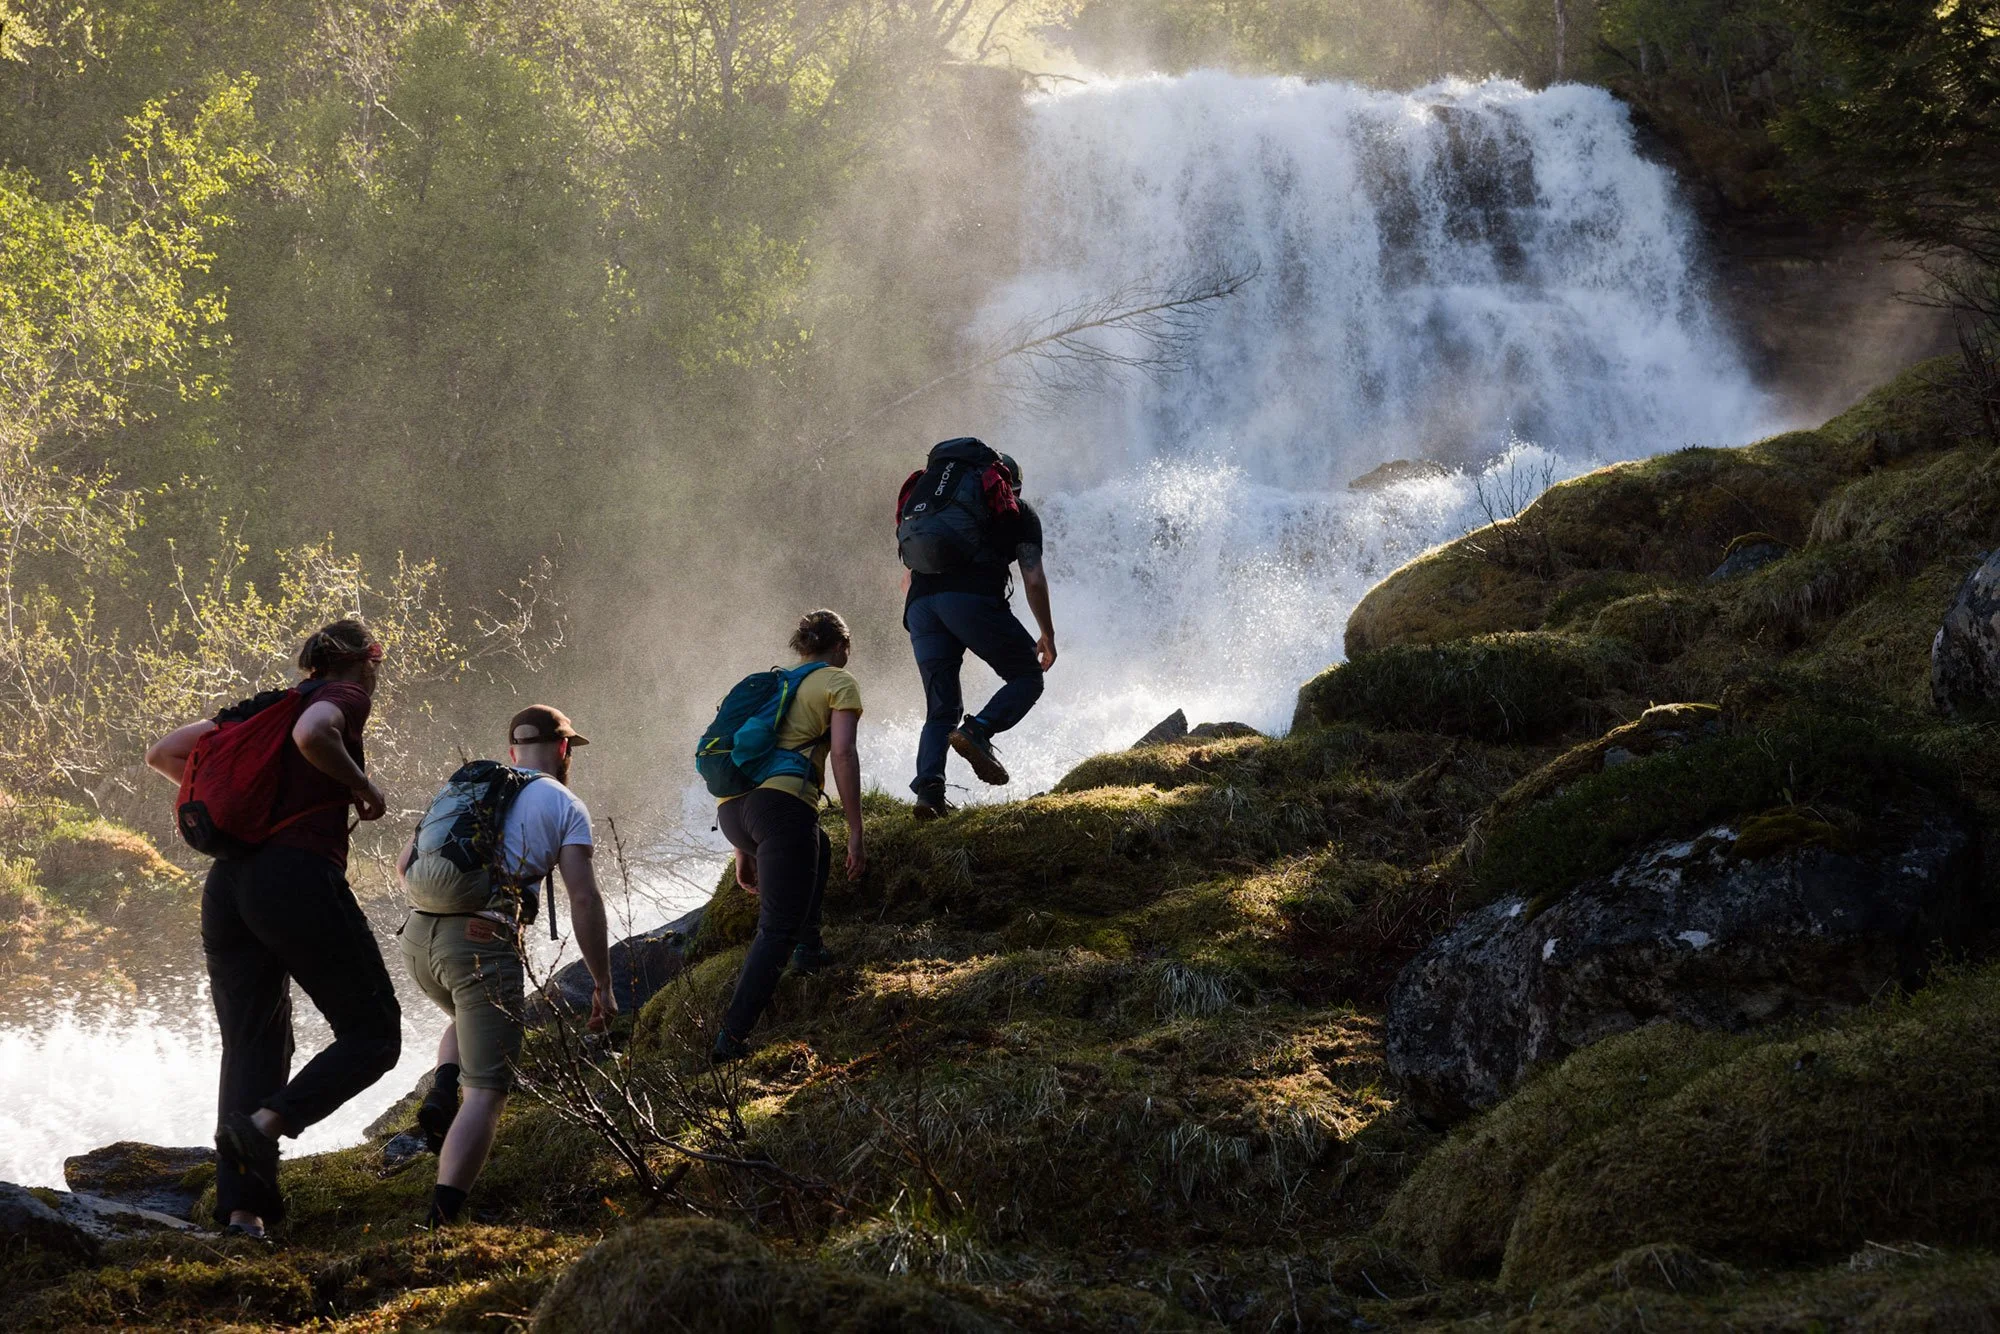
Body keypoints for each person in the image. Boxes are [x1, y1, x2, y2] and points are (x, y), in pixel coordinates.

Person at [144, 619, 402, 1239]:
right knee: (374, 1034)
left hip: (229, 885)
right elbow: (316, 735)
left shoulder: (259, 710)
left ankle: (243, 1213)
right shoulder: (341, 696)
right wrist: (362, 785)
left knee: (253, 1043)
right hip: (294, 877)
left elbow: (164, 753)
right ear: (366, 659)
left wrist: (250, 805)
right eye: (378, 660)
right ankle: (266, 1125)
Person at [394, 705, 615, 1226]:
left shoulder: (472, 790)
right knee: (489, 1092)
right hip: (479, 943)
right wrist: (602, 984)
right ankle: (440, 1224)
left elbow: (405, 866)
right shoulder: (565, 804)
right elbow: (584, 900)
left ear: (515, 751)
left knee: (465, 1018)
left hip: (420, 939)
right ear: (563, 750)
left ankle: (442, 1090)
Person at [712, 610, 865, 1063]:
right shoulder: (837, 681)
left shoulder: (774, 685)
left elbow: (744, 756)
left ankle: (810, 948)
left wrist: (743, 844)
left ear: (801, 647)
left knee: (818, 844)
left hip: (735, 811)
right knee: (775, 928)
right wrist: (857, 828)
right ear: (842, 647)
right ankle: (730, 1039)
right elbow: (843, 752)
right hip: (781, 808)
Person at [899, 444, 1057, 819]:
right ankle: (979, 731)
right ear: (1008, 485)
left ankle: (929, 794)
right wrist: (1046, 633)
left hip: (921, 606)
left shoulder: (935, 506)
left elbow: (908, 574)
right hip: (967, 599)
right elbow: (1032, 578)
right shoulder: (1017, 511)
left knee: (942, 708)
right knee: (1027, 675)